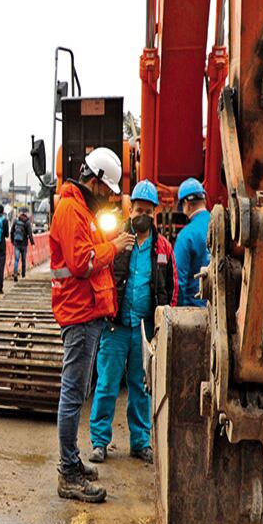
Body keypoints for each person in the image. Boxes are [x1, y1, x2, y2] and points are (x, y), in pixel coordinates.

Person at [50, 147, 132, 503]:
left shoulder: (82, 210)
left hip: (88, 312)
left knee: (77, 393)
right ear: (95, 181)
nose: (109, 197)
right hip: (79, 314)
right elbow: (83, 262)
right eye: (107, 190)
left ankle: (72, 462)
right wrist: (114, 247)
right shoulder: (70, 210)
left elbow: (92, 250)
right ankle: (68, 472)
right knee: (72, 396)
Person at [89, 180, 177, 465]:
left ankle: (140, 442)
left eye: (149, 212)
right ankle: (99, 441)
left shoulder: (162, 247)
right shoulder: (115, 239)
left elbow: (171, 286)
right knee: (107, 384)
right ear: (130, 209)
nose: (143, 215)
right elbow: (99, 271)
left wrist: (163, 323)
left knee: (141, 388)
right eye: (139, 209)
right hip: (115, 327)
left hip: (144, 331)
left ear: (155, 213)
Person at [173, 178, 211, 307]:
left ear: (186, 204)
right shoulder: (223, 227)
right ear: (204, 200)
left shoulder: (186, 236)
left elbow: (179, 281)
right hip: (220, 311)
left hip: (194, 311)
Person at [11, 208, 35, 281]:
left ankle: (15, 273)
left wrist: (12, 240)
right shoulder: (27, 222)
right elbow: (30, 234)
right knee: (23, 260)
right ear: (26, 213)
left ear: (20, 213)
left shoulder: (16, 221)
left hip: (16, 243)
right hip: (24, 244)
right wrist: (32, 243)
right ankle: (23, 275)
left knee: (16, 260)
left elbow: (12, 231)